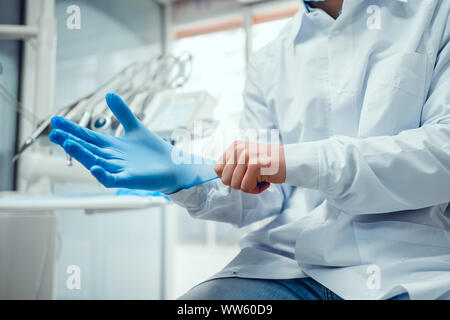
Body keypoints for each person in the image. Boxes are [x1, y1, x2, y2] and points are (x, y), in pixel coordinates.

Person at [50, 0, 450, 300]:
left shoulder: (433, 13)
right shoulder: (270, 60)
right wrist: (189, 179)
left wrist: (289, 161)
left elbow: (442, 153)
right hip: (288, 268)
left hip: (412, 268)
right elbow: (266, 195)